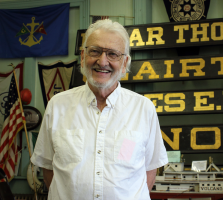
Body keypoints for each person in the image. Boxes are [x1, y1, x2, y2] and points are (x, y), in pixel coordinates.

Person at [31, 19, 168, 200]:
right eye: (94, 51)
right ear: (82, 56)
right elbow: (48, 168)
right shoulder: (57, 106)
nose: (102, 61)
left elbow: (150, 169)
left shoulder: (143, 109)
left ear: (125, 62)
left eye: (112, 54)